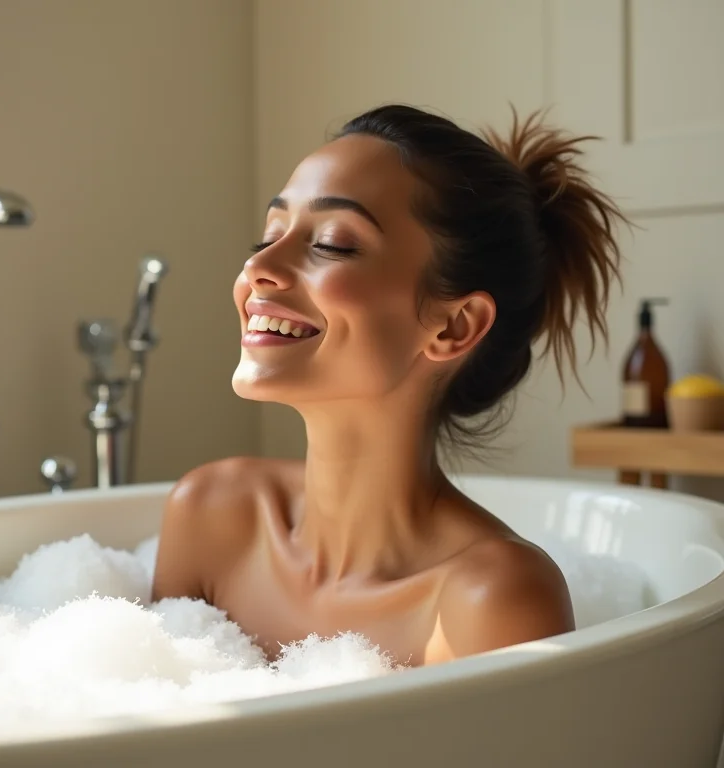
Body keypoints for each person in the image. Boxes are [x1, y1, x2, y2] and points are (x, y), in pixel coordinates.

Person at [152, 104, 626, 666]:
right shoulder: (213, 516)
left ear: (454, 326)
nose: (261, 267)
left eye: (331, 243)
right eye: (269, 235)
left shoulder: (491, 597)